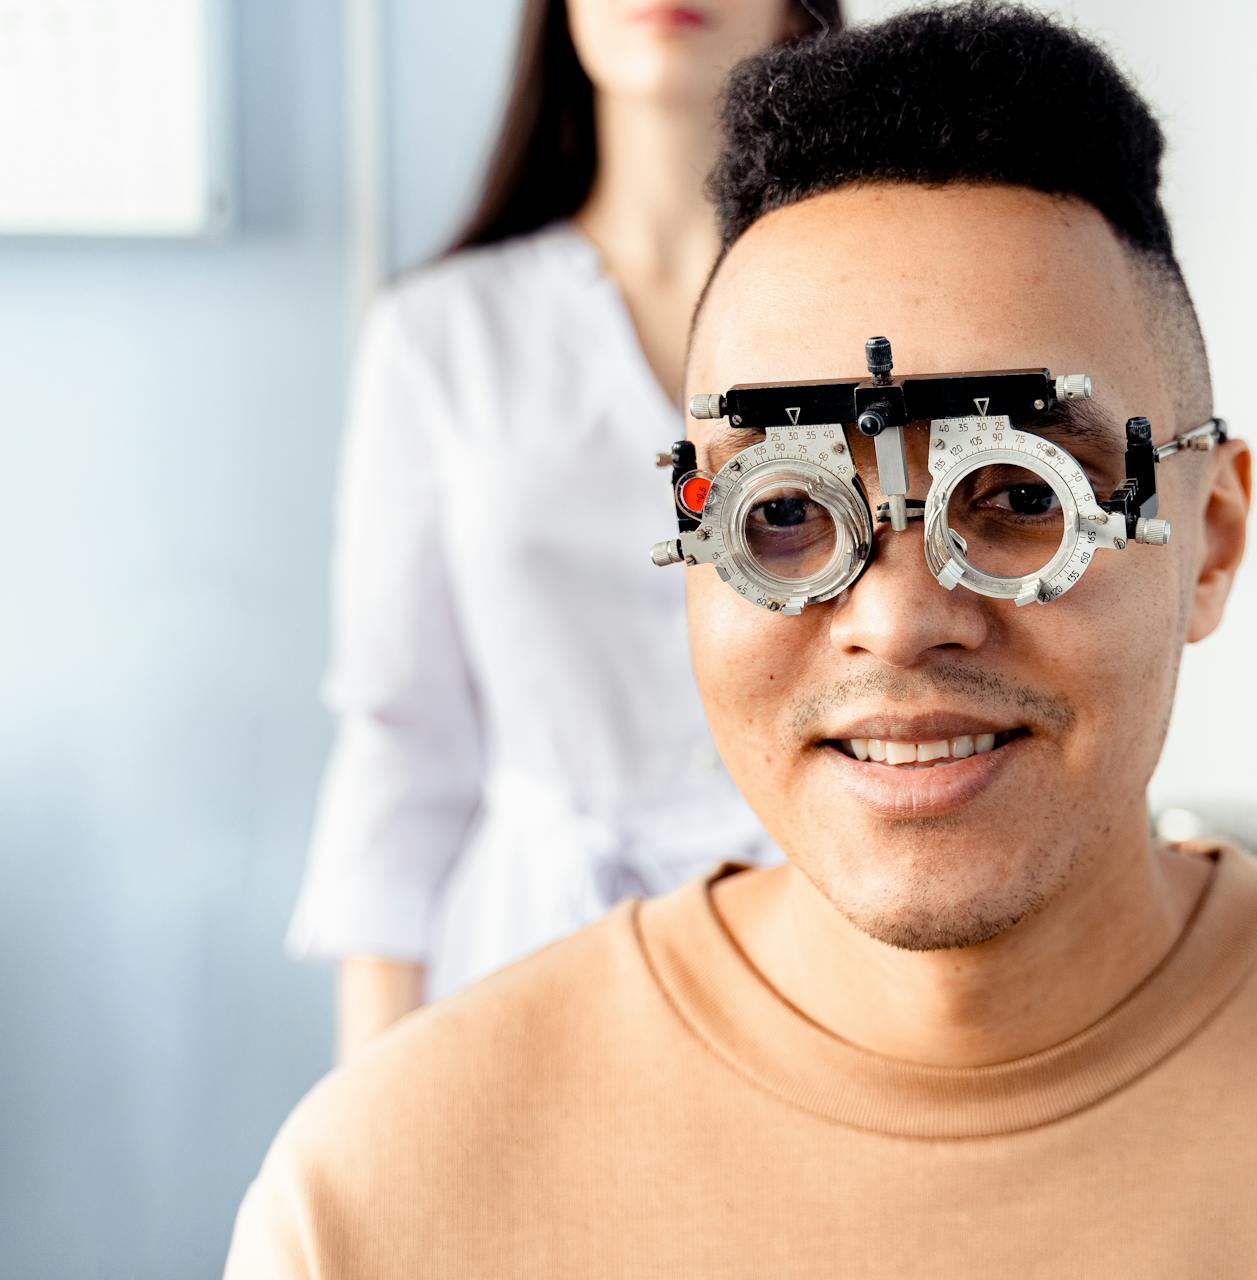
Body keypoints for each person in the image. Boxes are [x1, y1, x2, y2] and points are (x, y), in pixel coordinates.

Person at [230, 5, 1257, 1275]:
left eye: (1013, 497)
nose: (897, 616)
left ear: (1210, 536)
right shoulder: (381, 1206)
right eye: (784, 518)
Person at [288, 0, 843, 1058]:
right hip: (518, 962)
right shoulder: (441, 334)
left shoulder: (877, 313)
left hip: (821, 943)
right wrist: (369, 1111)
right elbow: (399, 739)